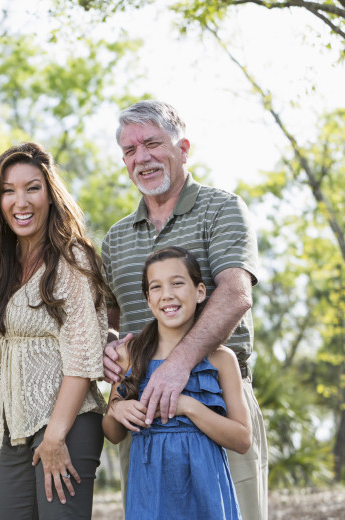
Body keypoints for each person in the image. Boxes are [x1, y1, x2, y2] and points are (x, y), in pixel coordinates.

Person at [102, 100, 268, 519]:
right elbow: (111, 319)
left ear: (183, 148)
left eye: (153, 143)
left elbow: (234, 294)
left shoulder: (221, 208)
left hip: (218, 404)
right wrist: (108, 351)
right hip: (145, 420)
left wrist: (177, 366)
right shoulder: (116, 239)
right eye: (130, 150)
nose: (142, 157)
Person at [0, 142, 107, 519]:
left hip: (66, 425)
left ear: (50, 194)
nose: (21, 201)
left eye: (32, 187)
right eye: (8, 190)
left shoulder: (72, 259)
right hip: (14, 429)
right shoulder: (1, 265)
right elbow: (5, 347)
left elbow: (83, 355)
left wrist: (54, 436)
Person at [103, 246, 251, 519]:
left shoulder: (221, 359)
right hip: (150, 492)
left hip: (207, 493)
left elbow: (242, 439)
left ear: (200, 292)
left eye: (178, 283)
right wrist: (116, 409)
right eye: (156, 287)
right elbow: (112, 434)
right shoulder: (129, 354)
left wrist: (187, 406)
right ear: (148, 299)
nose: (167, 294)